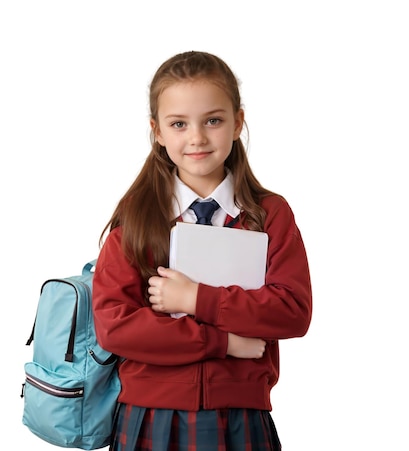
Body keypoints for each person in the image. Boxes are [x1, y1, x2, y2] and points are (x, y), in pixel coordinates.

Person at [92, 50, 313, 451]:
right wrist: (223, 342)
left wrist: (198, 298)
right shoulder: (138, 218)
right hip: (149, 415)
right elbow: (116, 326)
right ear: (157, 131)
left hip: (240, 415)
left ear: (237, 123)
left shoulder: (268, 214)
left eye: (213, 120)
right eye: (179, 124)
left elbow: (293, 312)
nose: (196, 137)